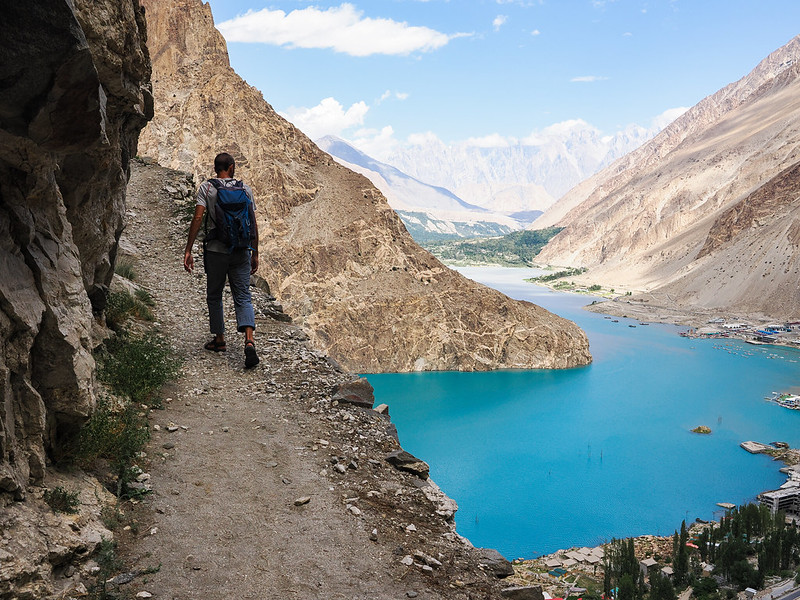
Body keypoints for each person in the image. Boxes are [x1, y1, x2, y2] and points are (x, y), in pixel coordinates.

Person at [183, 152, 260, 368]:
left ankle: (219, 339)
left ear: (216, 168)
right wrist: (255, 253)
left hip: (216, 250)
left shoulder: (207, 188)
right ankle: (249, 340)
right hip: (241, 250)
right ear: (232, 167)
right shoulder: (245, 189)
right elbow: (253, 223)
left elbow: (198, 217)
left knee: (215, 294)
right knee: (243, 295)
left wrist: (188, 249)